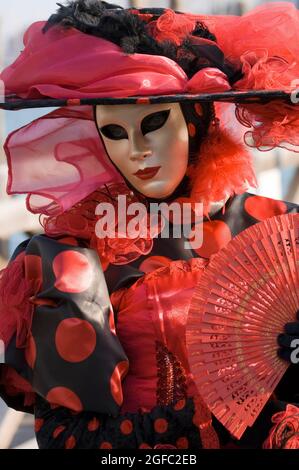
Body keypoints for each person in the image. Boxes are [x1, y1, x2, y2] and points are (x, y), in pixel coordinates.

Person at [0, 0, 299, 449]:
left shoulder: (279, 231)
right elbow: (68, 435)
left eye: (154, 124)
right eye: (115, 133)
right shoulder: (73, 255)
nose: (136, 150)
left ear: (196, 120)